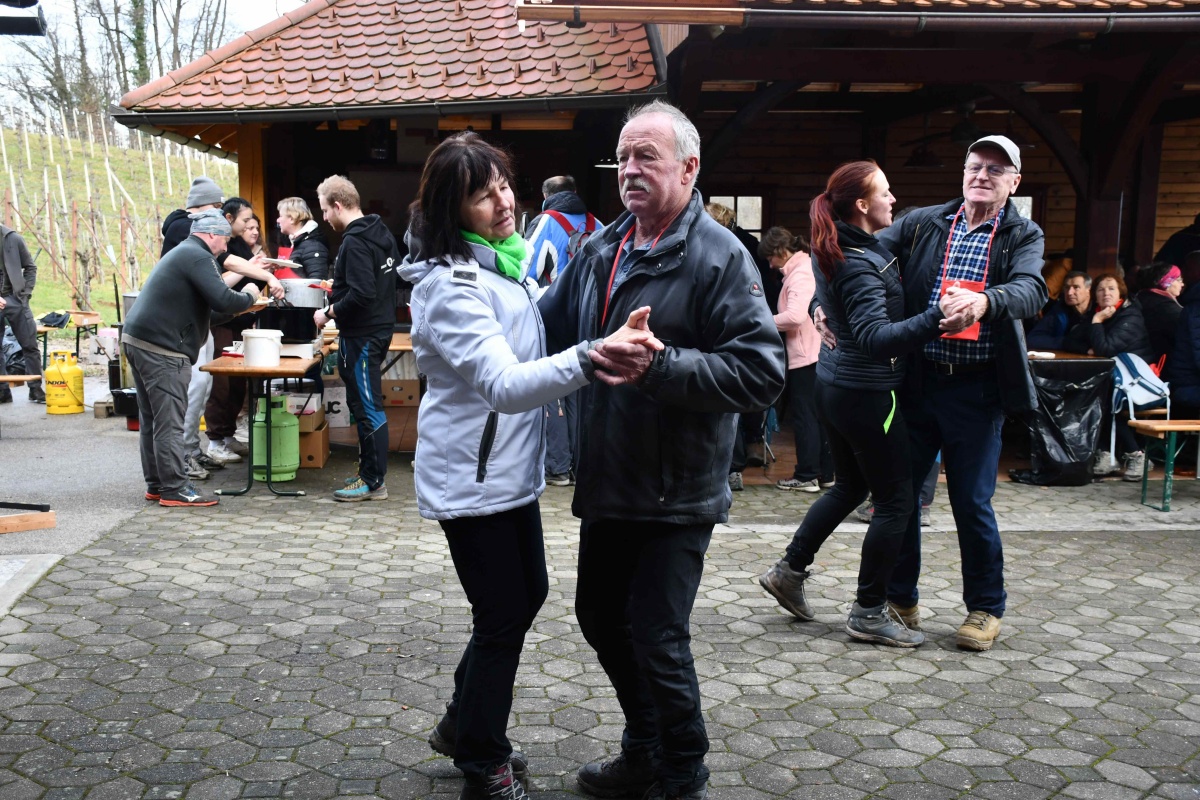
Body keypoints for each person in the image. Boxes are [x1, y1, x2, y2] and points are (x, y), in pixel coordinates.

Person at [400, 132, 662, 800]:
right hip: (472, 480)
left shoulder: (501, 264)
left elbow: (533, 324)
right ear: (449, 208)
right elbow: (503, 384)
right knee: (501, 616)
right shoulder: (452, 285)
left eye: (503, 184)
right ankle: (481, 759)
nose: (502, 201)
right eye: (481, 194)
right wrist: (592, 356)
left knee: (524, 598)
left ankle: (464, 723)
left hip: (508, 474)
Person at [539, 100, 787, 800]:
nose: (630, 170)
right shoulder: (600, 248)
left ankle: (683, 773)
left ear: (689, 166)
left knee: (656, 635)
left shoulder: (719, 257)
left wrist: (662, 366)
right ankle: (644, 746)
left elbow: (762, 373)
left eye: (647, 156)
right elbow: (542, 328)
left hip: (677, 489)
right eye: (623, 157)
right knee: (598, 619)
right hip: (610, 478)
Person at [757, 161, 951, 648]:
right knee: (896, 502)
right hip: (868, 394)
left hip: (834, 387)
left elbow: (834, 314)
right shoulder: (861, 262)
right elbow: (873, 337)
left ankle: (789, 571)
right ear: (862, 205)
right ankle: (868, 611)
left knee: (848, 487)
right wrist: (937, 318)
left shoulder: (840, 246)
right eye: (885, 193)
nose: (893, 199)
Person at [879, 135, 1048, 652]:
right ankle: (899, 599)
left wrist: (985, 304)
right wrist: (828, 301)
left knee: (971, 502)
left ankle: (984, 609)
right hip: (918, 381)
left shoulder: (1022, 233)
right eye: (976, 166)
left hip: (976, 392)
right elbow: (867, 256)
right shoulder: (924, 221)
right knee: (902, 498)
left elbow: (1031, 289)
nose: (982, 176)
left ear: (1013, 182)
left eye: (996, 170)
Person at [121, 209, 259, 507]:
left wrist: (247, 308)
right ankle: (175, 489)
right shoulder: (197, 256)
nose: (225, 248)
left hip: (139, 339)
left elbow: (213, 310)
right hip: (162, 348)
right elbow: (224, 298)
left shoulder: (186, 254)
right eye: (224, 240)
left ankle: (157, 485)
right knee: (170, 421)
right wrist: (250, 292)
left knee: (152, 420)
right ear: (211, 235)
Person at [313, 175, 400, 502]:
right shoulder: (382, 234)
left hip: (363, 335)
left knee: (367, 407)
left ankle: (373, 482)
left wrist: (329, 311)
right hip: (376, 330)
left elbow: (363, 293)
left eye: (324, 210)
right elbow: (376, 285)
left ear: (338, 205)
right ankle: (369, 471)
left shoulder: (356, 241)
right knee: (362, 405)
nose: (324, 218)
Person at [524, 175, 603, 485]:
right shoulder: (599, 225)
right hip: (591, 321)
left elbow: (525, 270)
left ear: (546, 195)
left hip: (555, 319)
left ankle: (557, 467)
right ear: (575, 192)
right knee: (584, 390)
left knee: (553, 389)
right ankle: (582, 465)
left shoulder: (546, 222)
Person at [204, 197, 284, 466]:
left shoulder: (239, 246)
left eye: (255, 223)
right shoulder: (223, 248)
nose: (252, 227)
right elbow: (225, 280)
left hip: (241, 322)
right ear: (229, 219)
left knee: (239, 382)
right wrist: (261, 273)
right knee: (222, 380)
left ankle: (227, 437)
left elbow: (247, 282)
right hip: (222, 323)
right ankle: (214, 440)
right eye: (246, 221)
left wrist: (261, 269)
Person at [757, 226, 832, 493]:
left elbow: (796, 316)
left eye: (770, 258)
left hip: (806, 356)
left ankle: (807, 475)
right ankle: (825, 473)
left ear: (780, 251)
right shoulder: (803, 268)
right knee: (819, 417)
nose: (770, 264)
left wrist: (761, 323)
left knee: (806, 417)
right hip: (813, 353)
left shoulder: (801, 273)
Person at [1063, 272, 1153, 480]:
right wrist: (1088, 349)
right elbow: (1069, 341)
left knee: (1102, 399)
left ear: (1120, 292)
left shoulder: (1130, 316)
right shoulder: (1097, 313)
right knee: (1091, 395)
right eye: (1101, 289)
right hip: (1111, 380)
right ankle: (1107, 453)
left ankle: (1137, 455)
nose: (1106, 293)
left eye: (1111, 288)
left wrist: (1097, 322)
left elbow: (1105, 348)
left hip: (1137, 383)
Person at [706, 202, 770, 490]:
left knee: (723, 402)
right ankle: (739, 461)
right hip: (738, 329)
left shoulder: (719, 247)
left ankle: (730, 468)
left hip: (724, 330)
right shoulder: (747, 244)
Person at [0, 223, 44, 404]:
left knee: (30, 344)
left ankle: (35, 389)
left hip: (15, 299)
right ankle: (3, 391)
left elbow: (30, 267)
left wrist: (24, 295)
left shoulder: (13, 238)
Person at [1135, 262, 1184, 367]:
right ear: (1166, 282)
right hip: (1163, 364)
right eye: (1179, 279)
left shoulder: (1141, 299)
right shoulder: (1167, 308)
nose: (1182, 284)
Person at [1027, 270, 1092, 351]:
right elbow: (1033, 339)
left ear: (1088, 290)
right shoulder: (1059, 311)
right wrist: (1064, 343)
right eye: (1067, 287)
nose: (1069, 293)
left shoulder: (1099, 311)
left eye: (1076, 287)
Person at [160, 176, 224, 256]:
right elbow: (221, 256)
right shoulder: (185, 227)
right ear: (201, 202)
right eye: (216, 206)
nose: (218, 212)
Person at [277, 197, 330, 280]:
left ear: (291, 218)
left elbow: (317, 284)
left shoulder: (314, 246)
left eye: (280, 216)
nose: (278, 220)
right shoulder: (295, 242)